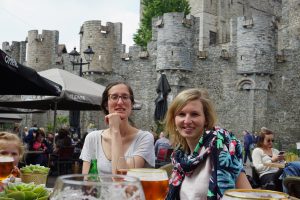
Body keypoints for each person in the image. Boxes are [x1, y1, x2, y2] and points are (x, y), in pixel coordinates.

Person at [164, 88, 251, 200]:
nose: (187, 120)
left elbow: (247, 195)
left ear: (206, 119)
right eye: (181, 114)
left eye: (194, 114)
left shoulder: (222, 149)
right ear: (174, 120)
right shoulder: (180, 157)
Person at [80, 82, 155, 174]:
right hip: (98, 189)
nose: (120, 102)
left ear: (131, 104)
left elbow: (121, 179)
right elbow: (87, 181)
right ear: (106, 105)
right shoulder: (92, 138)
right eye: (114, 97)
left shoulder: (144, 138)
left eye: (125, 97)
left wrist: (115, 131)